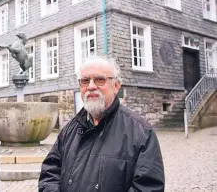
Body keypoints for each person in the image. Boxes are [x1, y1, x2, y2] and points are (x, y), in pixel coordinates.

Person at [38, 56, 165, 192]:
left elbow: (148, 187)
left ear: (116, 86)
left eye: (100, 80)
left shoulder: (141, 133)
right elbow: (49, 174)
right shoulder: (69, 129)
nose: (91, 86)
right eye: (85, 81)